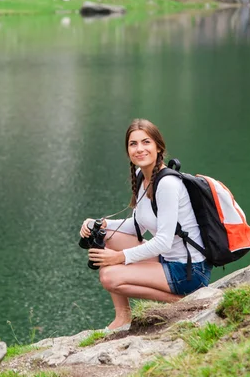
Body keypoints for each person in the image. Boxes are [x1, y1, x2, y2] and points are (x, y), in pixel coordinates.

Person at [79, 118, 212, 332]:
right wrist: (101, 222)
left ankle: (182, 304)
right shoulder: (143, 177)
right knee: (105, 235)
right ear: (128, 150)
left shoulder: (167, 183)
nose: (139, 149)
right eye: (133, 144)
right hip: (168, 259)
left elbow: (163, 241)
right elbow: (138, 226)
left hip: (190, 270)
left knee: (109, 276)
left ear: (158, 147)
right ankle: (122, 317)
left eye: (146, 142)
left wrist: (119, 257)